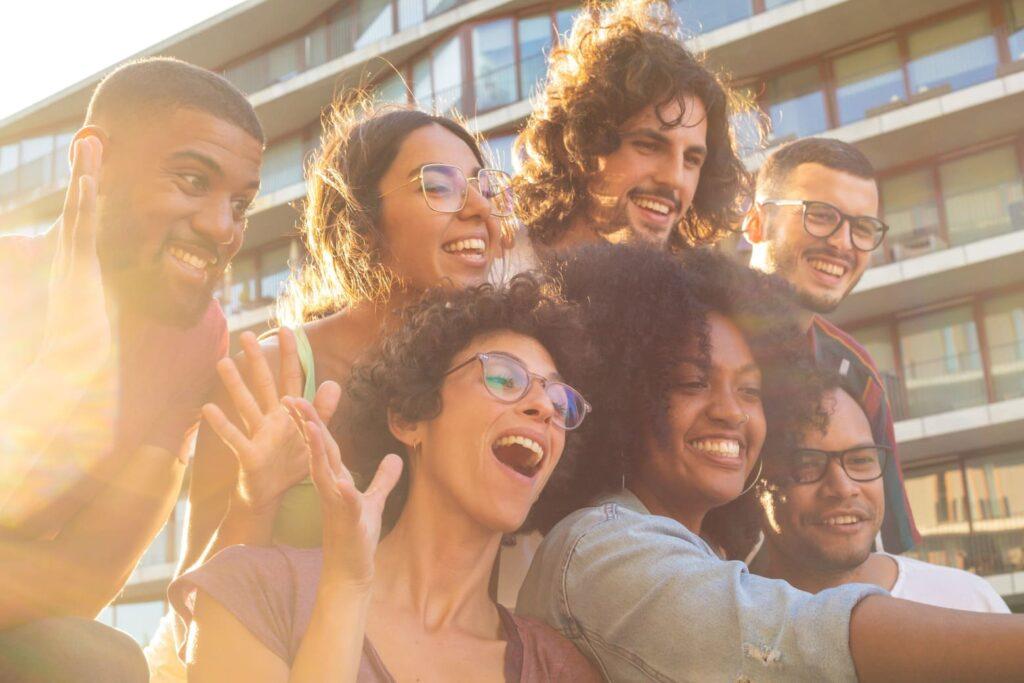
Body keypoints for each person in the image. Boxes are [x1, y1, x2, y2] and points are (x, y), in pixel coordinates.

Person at [518, 244, 1024, 682]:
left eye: (751, 390)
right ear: (625, 394)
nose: (731, 412)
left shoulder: (698, 553)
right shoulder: (599, 548)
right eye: (693, 381)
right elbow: (794, 640)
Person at [147, 99, 515, 678]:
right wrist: (256, 496)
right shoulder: (275, 372)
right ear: (364, 215)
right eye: (439, 186)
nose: (476, 208)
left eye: (484, 187)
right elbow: (193, 608)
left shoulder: (496, 379)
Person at [169, 275, 602, 681]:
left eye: (560, 402)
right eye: (505, 378)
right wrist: (347, 586)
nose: (544, 407)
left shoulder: (559, 670)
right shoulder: (260, 590)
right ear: (408, 418)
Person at [0, 57, 263, 681]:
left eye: (241, 204)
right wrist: (69, 359)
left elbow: (84, 581)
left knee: (98, 661)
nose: (220, 227)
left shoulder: (199, 338)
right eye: (192, 181)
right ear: (96, 160)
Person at [744, 136, 919, 555]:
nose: (843, 243)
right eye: (820, 216)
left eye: (863, 229)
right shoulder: (686, 332)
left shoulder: (855, 370)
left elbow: (888, 546)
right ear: (755, 223)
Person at [513, 0, 749, 257]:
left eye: (692, 160)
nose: (674, 178)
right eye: (649, 146)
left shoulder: (684, 292)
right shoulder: (495, 268)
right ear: (579, 146)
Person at [748, 386, 1010, 613]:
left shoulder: (967, 602)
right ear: (757, 480)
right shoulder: (727, 624)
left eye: (860, 460)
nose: (843, 487)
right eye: (807, 465)